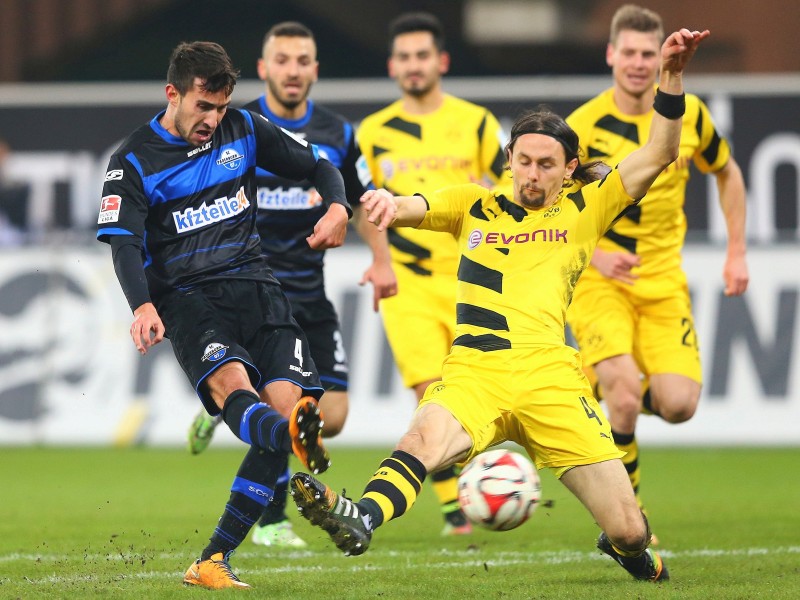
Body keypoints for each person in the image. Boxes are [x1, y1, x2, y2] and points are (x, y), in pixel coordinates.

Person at [289, 27, 712, 583]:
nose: (532, 175)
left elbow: (660, 150)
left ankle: (630, 552)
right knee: (419, 440)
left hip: (552, 380)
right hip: (476, 373)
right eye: (524, 161)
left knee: (630, 529)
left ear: (568, 169)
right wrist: (388, 203)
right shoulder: (474, 204)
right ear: (509, 158)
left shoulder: (588, 206)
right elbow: (417, 204)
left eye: (546, 165)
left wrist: (673, 75)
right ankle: (359, 517)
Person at [97, 40, 350, 590]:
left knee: (284, 418)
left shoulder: (246, 128)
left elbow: (320, 167)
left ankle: (213, 560)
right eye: (202, 107)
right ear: (173, 94)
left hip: (259, 289)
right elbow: (122, 244)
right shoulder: (133, 160)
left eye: (220, 107)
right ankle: (298, 454)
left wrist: (337, 206)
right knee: (235, 388)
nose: (212, 119)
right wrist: (141, 304)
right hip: (188, 298)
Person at [185, 21, 397, 549]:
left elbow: (366, 201)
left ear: (316, 70)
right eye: (283, 60)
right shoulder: (235, 126)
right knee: (290, 407)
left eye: (303, 61)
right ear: (263, 69)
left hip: (309, 293)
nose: (293, 70)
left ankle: (230, 405)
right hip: (250, 294)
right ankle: (272, 518)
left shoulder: (339, 135)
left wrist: (382, 260)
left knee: (333, 417)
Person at [565, 4, 748, 540]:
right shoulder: (582, 126)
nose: (640, 63)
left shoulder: (689, 116)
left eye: (649, 53)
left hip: (663, 278)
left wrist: (736, 250)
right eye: (630, 53)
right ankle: (629, 517)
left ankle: (591, 381)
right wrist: (594, 255)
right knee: (624, 394)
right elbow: (550, 211)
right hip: (599, 280)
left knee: (678, 403)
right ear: (611, 55)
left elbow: (728, 171)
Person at [355, 11, 510, 536]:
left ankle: (470, 490)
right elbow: (364, 204)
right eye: (404, 56)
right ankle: (457, 510)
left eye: (423, 55)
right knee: (431, 390)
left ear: (440, 61)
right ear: (392, 65)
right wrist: (380, 262)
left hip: (474, 280)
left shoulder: (477, 122)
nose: (413, 65)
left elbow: (513, 190)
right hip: (409, 283)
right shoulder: (373, 133)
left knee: (480, 397)